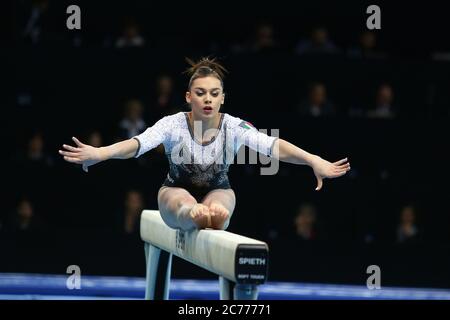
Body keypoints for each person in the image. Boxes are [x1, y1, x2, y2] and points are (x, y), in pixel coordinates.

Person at [59, 57, 351, 232]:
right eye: (201, 93)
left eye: (214, 93)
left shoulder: (234, 126)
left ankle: (209, 217)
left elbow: (273, 147)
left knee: (220, 207)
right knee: (182, 202)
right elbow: (137, 144)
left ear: (223, 97)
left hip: (218, 189)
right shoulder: (172, 124)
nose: (208, 99)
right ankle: (190, 214)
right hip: (174, 189)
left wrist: (312, 159)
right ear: (189, 97)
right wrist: (100, 152)